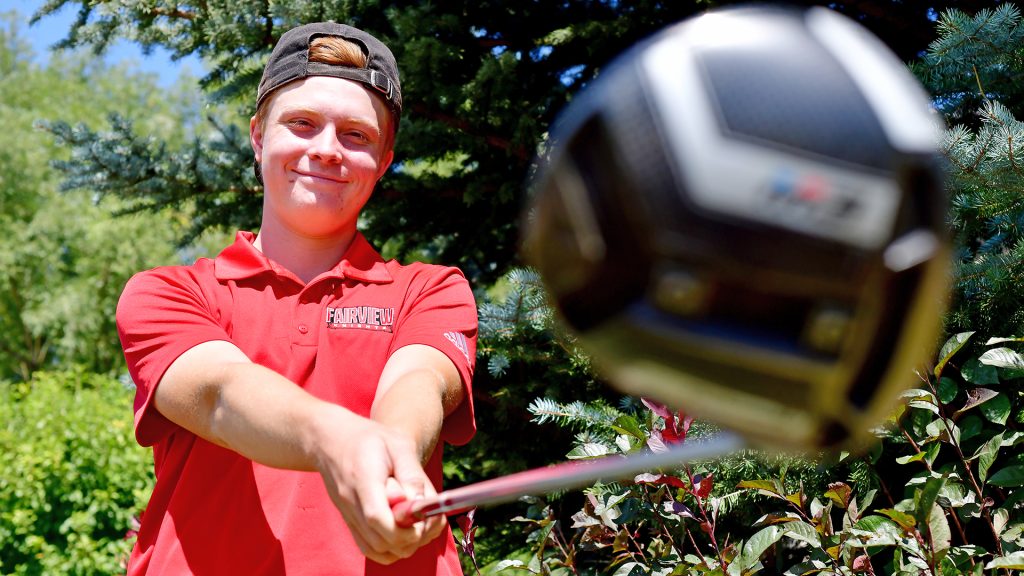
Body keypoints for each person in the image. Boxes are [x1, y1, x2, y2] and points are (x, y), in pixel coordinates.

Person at [116, 21, 477, 575]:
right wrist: (336, 439)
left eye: (356, 135)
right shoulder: (168, 293)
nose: (327, 150)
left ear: (383, 160)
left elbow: (419, 381)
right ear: (259, 136)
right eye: (302, 123)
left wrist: (396, 453)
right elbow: (219, 394)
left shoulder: (431, 290)